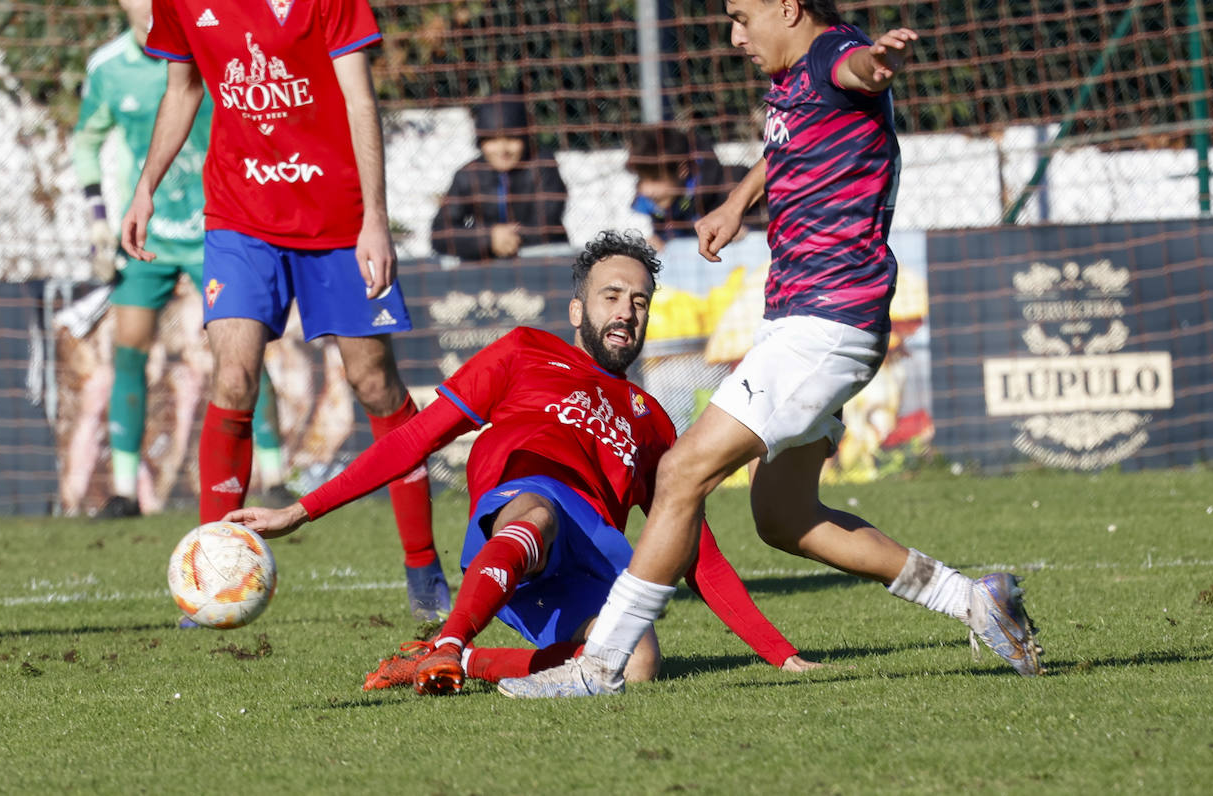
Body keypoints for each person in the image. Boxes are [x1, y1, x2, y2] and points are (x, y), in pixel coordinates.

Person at [501, 0, 1042, 698]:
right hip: (812, 323)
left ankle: (599, 666)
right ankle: (972, 599)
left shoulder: (833, 58)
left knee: (682, 470)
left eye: (741, 16)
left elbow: (856, 71)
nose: (734, 35)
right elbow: (792, 141)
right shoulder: (794, 79)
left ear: (788, 7)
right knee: (783, 518)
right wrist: (737, 197)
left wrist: (880, 63)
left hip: (827, 324)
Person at [226, 230, 818, 695]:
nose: (626, 311)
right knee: (537, 508)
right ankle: (453, 639)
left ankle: (461, 660)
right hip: (519, 521)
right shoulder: (522, 351)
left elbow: (696, 550)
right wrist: (300, 511)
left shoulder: (653, 421)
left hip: (589, 557)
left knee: (636, 666)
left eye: (640, 301)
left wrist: (779, 652)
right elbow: (414, 440)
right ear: (577, 309)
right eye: (610, 295)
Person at [119, 0, 449, 621]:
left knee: (374, 385)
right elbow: (183, 89)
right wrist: (145, 187)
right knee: (231, 375)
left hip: (336, 221)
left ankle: (424, 568)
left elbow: (360, 98)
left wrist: (375, 219)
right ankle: (210, 567)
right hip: (239, 216)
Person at [72, 0, 283, 517]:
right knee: (130, 346)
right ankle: (122, 489)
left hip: (220, 224)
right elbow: (86, 142)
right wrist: (98, 223)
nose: (147, 5)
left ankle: (275, 473)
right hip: (148, 236)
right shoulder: (108, 68)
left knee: (240, 346)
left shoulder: (212, 48)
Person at [429, 94, 569, 261]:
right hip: (486, 269)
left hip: (542, 263)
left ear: (525, 137)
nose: (502, 149)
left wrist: (508, 237)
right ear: (481, 142)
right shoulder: (468, 175)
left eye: (511, 139)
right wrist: (489, 237)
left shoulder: (543, 166)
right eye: (492, 140)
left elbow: (546, 223)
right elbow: (440, 233)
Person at [624, 123, 750, 251]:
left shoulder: (736, 186)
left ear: (682, 170)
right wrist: (658, 243)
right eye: (641, 178)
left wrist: (749, 231)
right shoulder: (651, 206)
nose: (646, 190)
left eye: (655, 179)